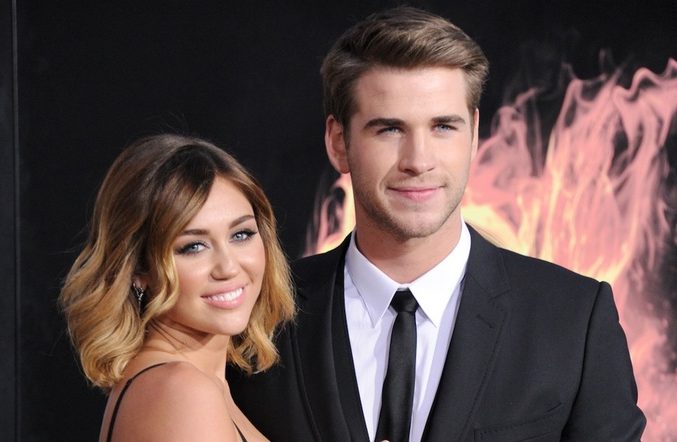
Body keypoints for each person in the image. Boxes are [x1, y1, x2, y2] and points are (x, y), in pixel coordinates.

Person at [228, 6, 645, 442]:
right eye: (389, 129)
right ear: (338, 143)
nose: (418, 161)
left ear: (474, 134)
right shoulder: (259, 312)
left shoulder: (574, 320)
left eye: (443, 127)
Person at [59, 134, 295, 442]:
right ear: (138, 269)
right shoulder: (182, 391)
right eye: (193, 246)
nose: (228, 267)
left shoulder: (193, 383)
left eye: (241, 234)